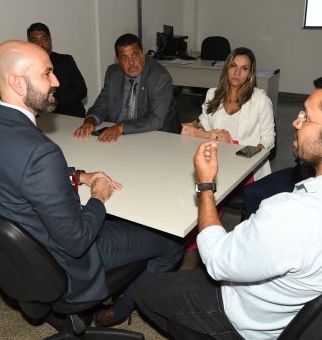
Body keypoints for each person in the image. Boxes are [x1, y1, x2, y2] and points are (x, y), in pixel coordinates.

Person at [0, 40, 183, 327]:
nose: (56, 81)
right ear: (17, 82)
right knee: (172, 243)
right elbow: (78, 240)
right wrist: (98, 197)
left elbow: (19, 171)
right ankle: (117, 312)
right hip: (66, 260)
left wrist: (78, 175)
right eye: (46, 74)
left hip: (28, 251)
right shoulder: (40, 153)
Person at [135, 87, 322, 339]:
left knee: (143, 290)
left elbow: (216, 259)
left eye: (306, 117)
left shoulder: (290, 215)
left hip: (243, 315)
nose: (295, 122)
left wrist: (205, 185)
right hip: (284, 306)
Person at [73, 33, 180, 143]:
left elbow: (156, 119)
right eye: (124, 58)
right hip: (119, 138)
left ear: (143, 53)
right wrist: (90, 122)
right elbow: (102, 105)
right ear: (118, 60)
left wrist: (120, 127)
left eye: (135, 55)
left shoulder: (159, 77)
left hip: (155, 137)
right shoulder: (113, 73)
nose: (131, 63)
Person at [242, 77, 322, 219]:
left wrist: (205, 188)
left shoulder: (302, 211)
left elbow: (215, 242)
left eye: (307, 118)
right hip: (304, 171)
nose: (296, 123)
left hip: (305, 177)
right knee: (251, 192)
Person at [194, 47, 275, 180]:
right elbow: (205, 127)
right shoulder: (212, 94)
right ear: (226, 68)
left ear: (250, 73)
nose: (237, 72)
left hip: (248, 167)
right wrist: (197, 128)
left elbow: (268, 138)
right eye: (233, 66)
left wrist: (248, 158)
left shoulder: (261, 99)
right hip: (216, 158)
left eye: (244, 68)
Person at [27, 22, 87, 118]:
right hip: (40, 118)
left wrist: (52, 101)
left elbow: (81, 91)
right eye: (35, 41)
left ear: (50, 40)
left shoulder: (66, 60)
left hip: (71, 116)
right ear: (29, 44)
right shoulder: (25, 66)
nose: (40, 44)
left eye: (44, 39)